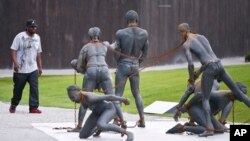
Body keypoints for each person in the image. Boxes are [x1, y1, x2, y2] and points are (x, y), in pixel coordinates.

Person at [177, 23, 250, 136]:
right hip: (219, 64)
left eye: (180, 33)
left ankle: (209, 129)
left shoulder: (186, 44)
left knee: (205, 99)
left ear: (182, 32)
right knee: (238, 93)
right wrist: (199, 72)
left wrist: (191, 79)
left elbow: (191, 64)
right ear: (189, 29)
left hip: (209, 69)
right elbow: (209, 57)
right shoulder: (202, 37)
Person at [68, 27, 126, 132]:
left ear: (89, 36)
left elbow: (80, 67)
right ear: (99, 35)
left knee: (84, 99)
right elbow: (115, 45)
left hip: (91, 71)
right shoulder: (105, 45)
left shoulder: (85, 47)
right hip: (104, 70)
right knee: (112, 98)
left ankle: (80, 126)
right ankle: (122, 122)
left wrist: (75, 65)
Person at [166, 82, 249, 135]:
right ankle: (181, 128)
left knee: (220, 130)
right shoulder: (220, 95)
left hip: (207, 113)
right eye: (242, 94)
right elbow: (199, 95)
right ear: (235, 92)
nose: (243, 97)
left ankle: (191, 125)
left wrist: (221, 123)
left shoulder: (230, 99)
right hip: (196, 109)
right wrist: (186, 107)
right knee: (209, 130)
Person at [114, 10, 149, 127]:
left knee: (118, 94)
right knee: (137, 93)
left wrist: (118, 62)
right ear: (137, 20)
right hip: (135, 65)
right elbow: (145, 53)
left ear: (127, 20)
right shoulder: (144, 33)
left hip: (123, 65)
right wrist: (138, 62)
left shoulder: (120, 33)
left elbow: (116, 50)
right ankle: (142, 119)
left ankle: (117, 120)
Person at [67, 85, 134, 141]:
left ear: (79, 92)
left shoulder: (90, 97)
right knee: (82, 135)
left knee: (101, 124)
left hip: (108, 109)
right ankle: (98, 128)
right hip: (96, 113)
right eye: (71, 99)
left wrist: (124, 100)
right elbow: (84, 110)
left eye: (73, 97)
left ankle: (127, 133)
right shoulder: (82, 99)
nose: (73, 100)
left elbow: (109, 97)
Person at [9, 19, 42, 114]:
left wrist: (40, 67)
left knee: (34, 89)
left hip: (33, 68)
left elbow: (39, 53)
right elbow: (13, 50)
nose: (34, 28)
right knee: (18, 90)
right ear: (26, 27)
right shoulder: (19, 37)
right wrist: (15, 63)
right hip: (20, 69)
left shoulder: (37, 38)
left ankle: (33, 108)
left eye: (35, 26)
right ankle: (14, 104)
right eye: (32, 26)